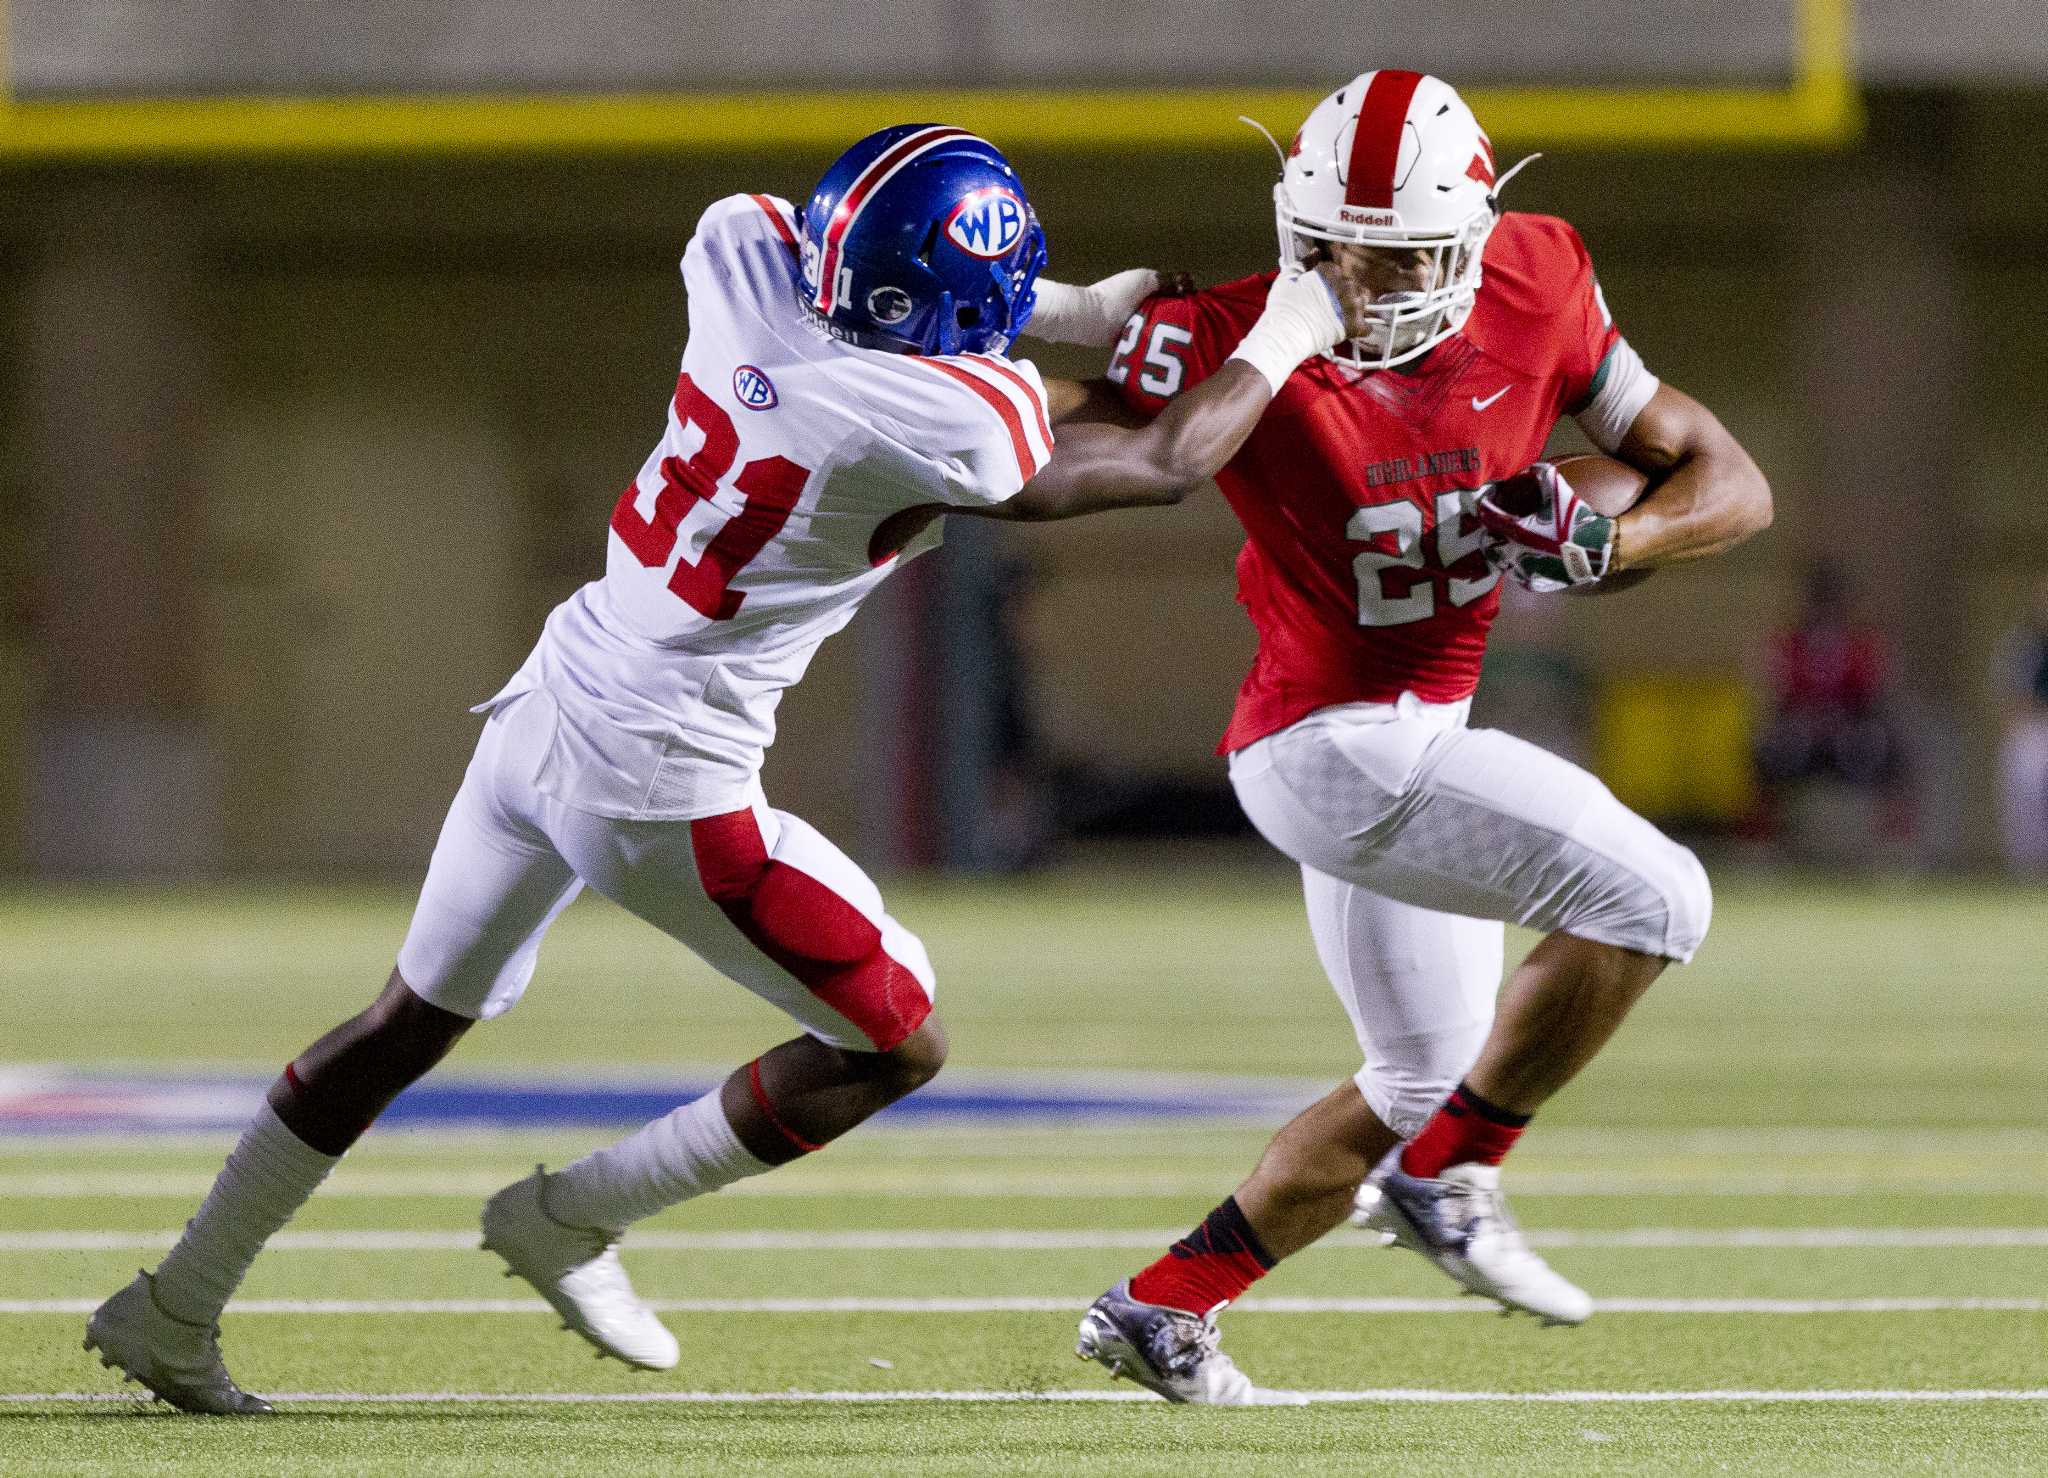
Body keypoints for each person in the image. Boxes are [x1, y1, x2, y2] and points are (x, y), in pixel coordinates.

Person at [83, 123, 1366, 1415]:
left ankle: (177, 1303)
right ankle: (574, 1213)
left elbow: (862, 269)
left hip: (552, 698)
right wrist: (1286, 328)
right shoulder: (934, 418)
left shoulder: (740, 251)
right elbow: (1157, 458)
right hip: (660, 779)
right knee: (894, 1038)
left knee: (403, 1022)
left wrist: (1076, 307)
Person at [1068, 70, 1772, 1405]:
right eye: (1333, 244)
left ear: (1469, 238)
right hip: (1329, 742)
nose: (1357, 279)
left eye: (1395, 256)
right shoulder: (1235, 335)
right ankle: (1455, 1176)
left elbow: (1733, 481)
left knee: (1416, 1073)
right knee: (1658, 894)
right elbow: (1065, 433)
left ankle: (1166, 1303)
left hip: (1409, 727)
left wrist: (1613, 538)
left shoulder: (1540, 274)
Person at [1752, 561, 1908, 851]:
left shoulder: (1860, 644)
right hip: (1803, 732)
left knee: (1887, 748)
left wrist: (1845, 719)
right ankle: (1765, 844)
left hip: (1848, 730)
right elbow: (1776, 693)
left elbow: (1875, 695)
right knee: (1770, 750)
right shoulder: (1791, 644)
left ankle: (1893, 844)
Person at [1993, 573, 2048, 873]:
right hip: (2034, 727)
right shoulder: (2023, 646)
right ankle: (2027, 863)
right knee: (2023, 766)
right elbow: (2011, 699)